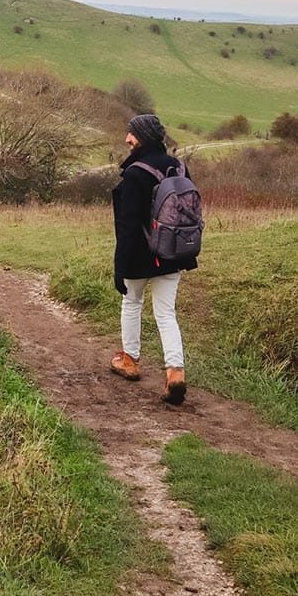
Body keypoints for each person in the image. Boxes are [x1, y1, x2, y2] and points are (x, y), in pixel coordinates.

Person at [110, 112, 193, 405]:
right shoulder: (179, 167)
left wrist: (120, 267)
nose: (127, 139)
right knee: (166, 314)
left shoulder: (135, 174)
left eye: (131, 134)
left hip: (139, 256)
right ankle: (175, 373)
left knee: (132, 302)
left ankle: (130, 360)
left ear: (142, 136)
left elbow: (128, 225)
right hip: (172, 253)